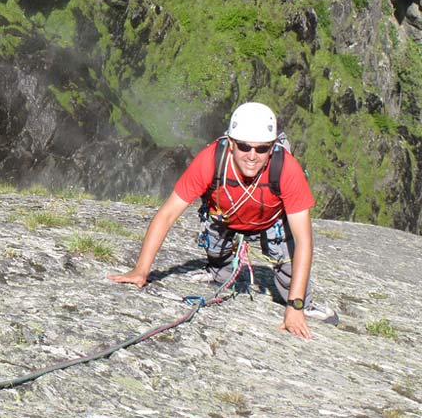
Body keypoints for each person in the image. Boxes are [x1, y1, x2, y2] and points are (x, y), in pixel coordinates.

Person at [108, 102, 337, 339]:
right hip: (224, 218)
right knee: (219, 262)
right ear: (230, 145)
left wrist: (295, 306)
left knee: (288, 270)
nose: (252, 156)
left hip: (272, 222)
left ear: (271, 149)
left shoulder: (287, 169)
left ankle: (307, 304)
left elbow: (303, 241)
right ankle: (218, 269)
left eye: (261, 149)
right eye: (244, 146)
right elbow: (167, 215)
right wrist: (141, 270)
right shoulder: (210, 161)